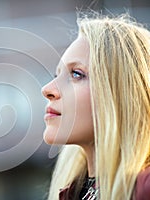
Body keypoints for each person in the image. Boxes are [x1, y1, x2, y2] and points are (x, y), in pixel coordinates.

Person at [41, 13, 150, 200]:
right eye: (56, 76)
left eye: (76, 74)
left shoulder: (144, 189)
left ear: (122, 92)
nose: (47, 90)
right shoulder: (74, 192)